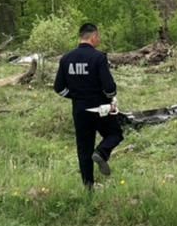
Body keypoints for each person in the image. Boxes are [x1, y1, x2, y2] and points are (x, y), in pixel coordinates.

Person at [53, 22, 124, 190]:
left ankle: (88, 187)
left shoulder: (66, 59)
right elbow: (109, 87)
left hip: (80, 110)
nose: (98, 39)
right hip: (100, 109)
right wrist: (111, 97)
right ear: (93, 37)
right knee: (115, 134)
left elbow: (59, 88)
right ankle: (101, 153)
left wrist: (75, 97)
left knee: (84, 149)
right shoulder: (99, 57)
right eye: (98, 37)